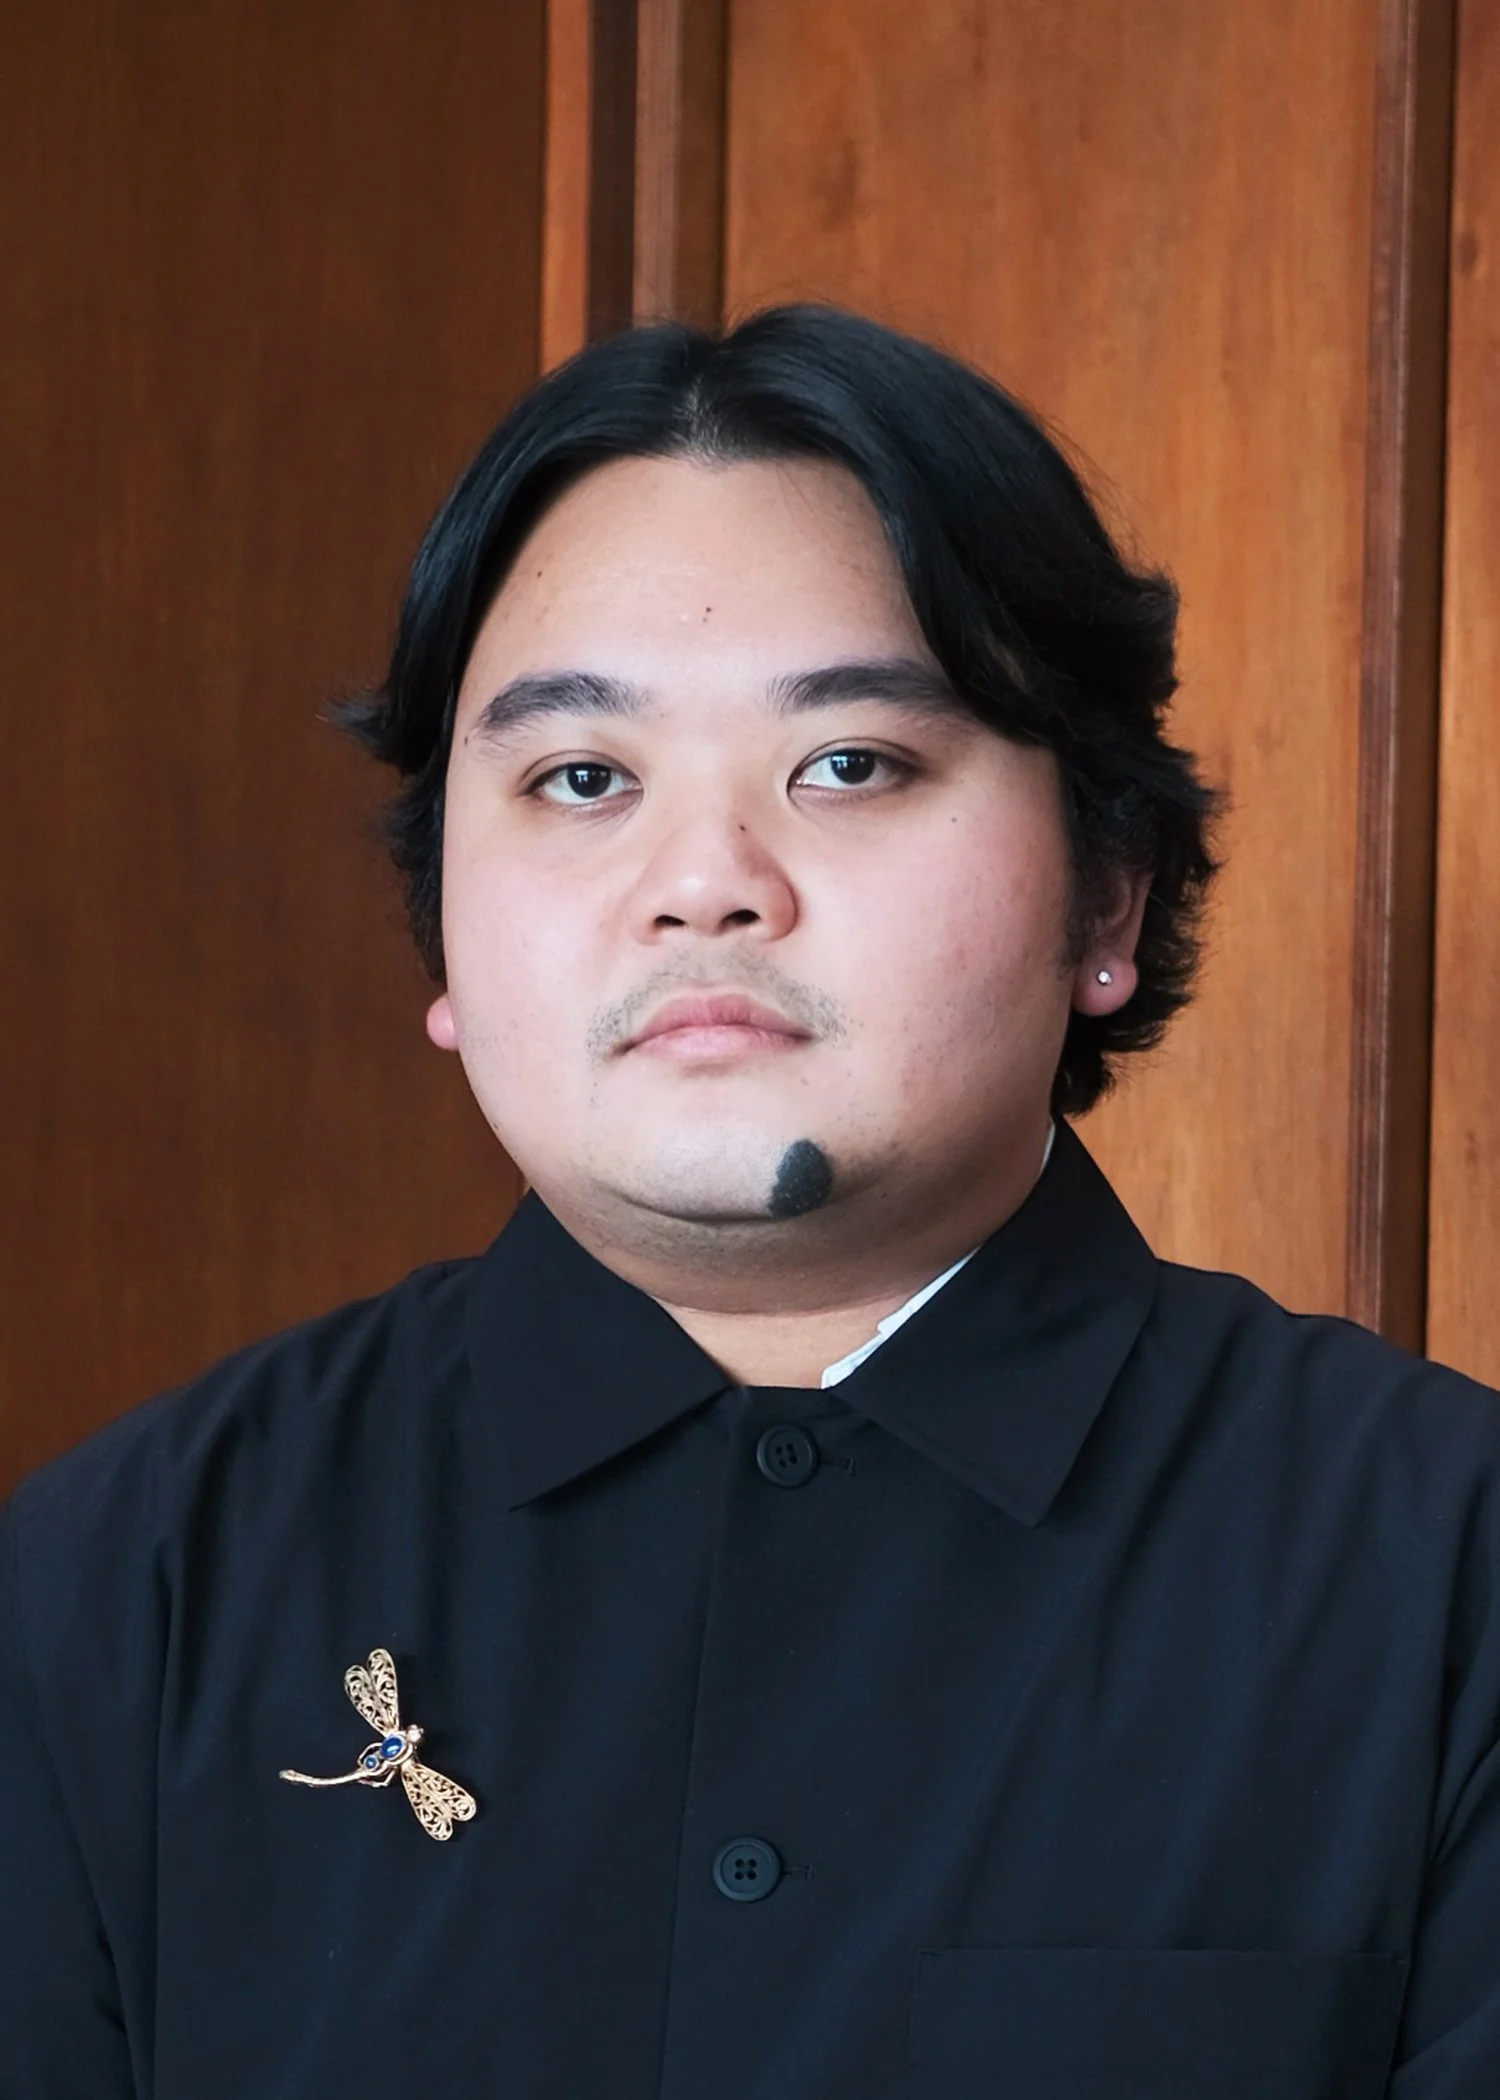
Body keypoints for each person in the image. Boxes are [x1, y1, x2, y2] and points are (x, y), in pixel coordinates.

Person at [3, 305, 1497, 2100]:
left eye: (849, 764)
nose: (704, 885)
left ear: (1106, 892)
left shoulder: (1451, 1580)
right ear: (444, 933)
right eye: (582, 780)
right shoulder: (117, 1592)